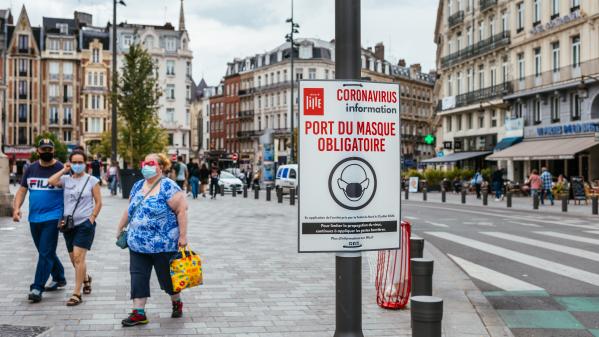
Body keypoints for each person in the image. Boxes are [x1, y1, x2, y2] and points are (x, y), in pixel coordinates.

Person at [115, 153, 188, 326]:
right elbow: (130, 209)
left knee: (167, 280)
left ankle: (176, 301)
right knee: (138, 277)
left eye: (150, 162)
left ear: (160, 167)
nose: (146, 166)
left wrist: (183, 236)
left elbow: (182, 211)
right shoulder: (137, 185)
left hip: (163, 244)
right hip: (137, 243)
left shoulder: (169, 187)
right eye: (144, 162)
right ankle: (138, 313)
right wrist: (120, 227)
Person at [12, 139, 67, 303]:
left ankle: (37, 287)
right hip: (34, 218)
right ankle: (59, 276)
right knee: (45, 251)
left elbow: (71, 192)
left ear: (54, 150)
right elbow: (22, 191)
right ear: (38, 150)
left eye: (49, 148)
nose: (46, 151)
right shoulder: (30, 169)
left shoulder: (61, 168)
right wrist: (16, 209)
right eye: (44, 149)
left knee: (45, 252)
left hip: (53, 217)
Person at [48, 150, 102, 306]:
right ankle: (85, 278)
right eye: (74, 162)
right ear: (70, 163)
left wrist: (91, 219)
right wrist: (64, 169)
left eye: (80, 162)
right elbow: (51, 181)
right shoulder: (65, 179)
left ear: (85, 163)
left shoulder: (92, 180)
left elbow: (98, 202)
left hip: (84, 224)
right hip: (68, 224)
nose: (77, 165)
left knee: (79, 257)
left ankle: (76, 294)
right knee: (74, 260)